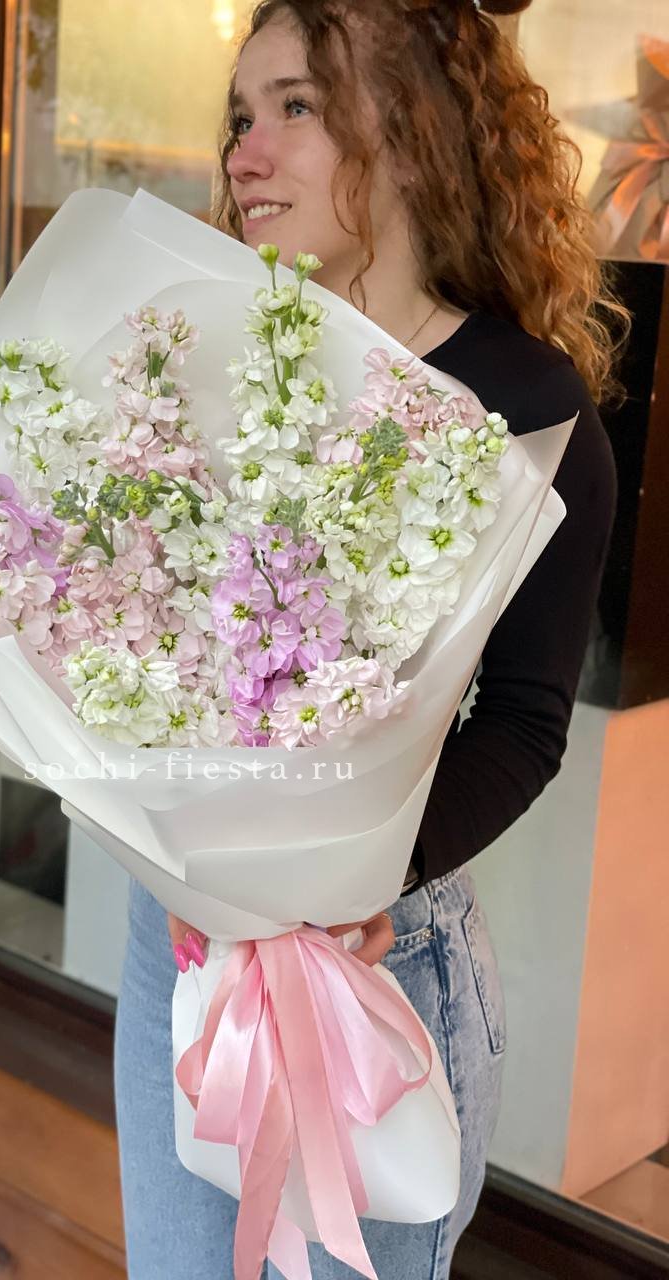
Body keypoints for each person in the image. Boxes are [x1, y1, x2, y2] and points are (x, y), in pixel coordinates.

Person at [114, 1, 624, 1276]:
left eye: (295, 106)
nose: (244, 154)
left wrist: (357, 878)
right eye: (241, 115)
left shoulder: (522, 404)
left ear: (409, 129)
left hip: (374, 957)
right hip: (180, 940)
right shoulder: (206, 358)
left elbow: (523, 724)